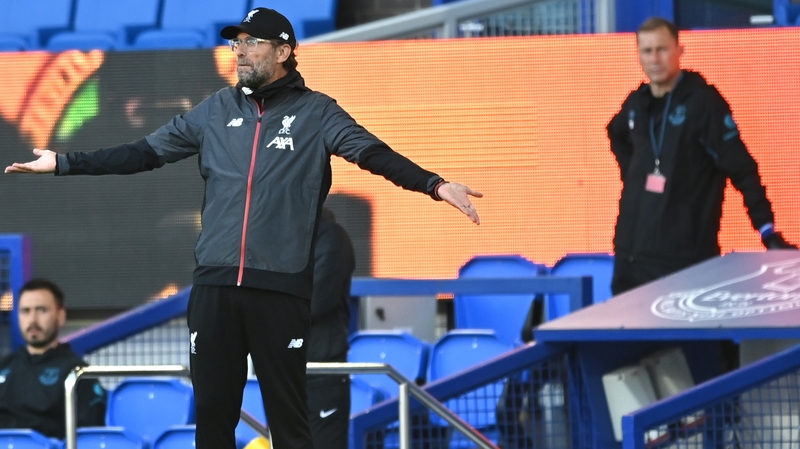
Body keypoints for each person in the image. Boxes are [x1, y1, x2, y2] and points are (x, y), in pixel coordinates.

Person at [5, 7, 482, 449]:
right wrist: (64, 162)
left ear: (284, 51)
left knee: (291, 422)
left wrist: (434, 184)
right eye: (237, 44)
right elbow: (142, 153)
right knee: (213, 419)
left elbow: (373, 154)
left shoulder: (318, 112)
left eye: (253, 43)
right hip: (214, 288)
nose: (241, 52)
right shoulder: (214, 110)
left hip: (280, 291)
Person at [606, 17, 796, 296]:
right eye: (647, 51)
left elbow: (742, 169)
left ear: (679, 51)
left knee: (685, 339)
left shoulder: (703, 103)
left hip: (682, 259)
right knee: (625, 339)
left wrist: (766, 229)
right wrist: (635, 177)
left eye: (662, 49)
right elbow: (615, 133)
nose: (654, 59)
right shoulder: (637, 103)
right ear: (638, 55)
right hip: (630, 257)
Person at [0, 279, 106, 440]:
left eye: (41, 310)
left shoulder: (77, 373)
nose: (33, 320)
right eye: (25, 311)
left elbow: (90, 437)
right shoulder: (4, 366)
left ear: (61, 316)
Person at [306, 208, 355, 449]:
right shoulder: (280, 237)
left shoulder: (332, 238)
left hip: (323, 373)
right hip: (285, 373)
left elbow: (315, 302)